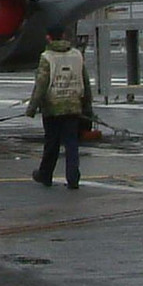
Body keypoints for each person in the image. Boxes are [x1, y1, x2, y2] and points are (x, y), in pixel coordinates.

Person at [26, 28, 93, 189]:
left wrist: (32, 107)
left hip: (53, 107)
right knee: (71, 143)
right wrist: (87, 105)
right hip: (72, 105)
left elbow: (41, 85)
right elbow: (85, 81)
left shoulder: (47, 57)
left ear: (48, 37)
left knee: (52, 143)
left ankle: (45, 174)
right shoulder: (77, 55)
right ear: (64, 36)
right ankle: (73, 178)